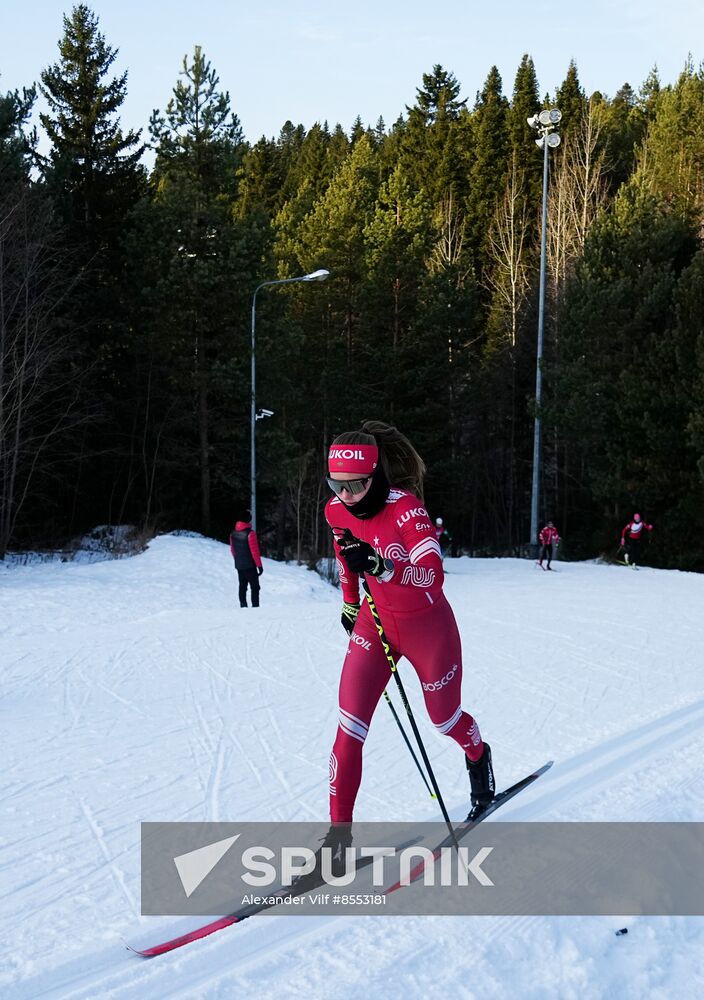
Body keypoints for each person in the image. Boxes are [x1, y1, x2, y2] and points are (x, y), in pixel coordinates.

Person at [324, 420, 495, 836]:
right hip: (375, 622)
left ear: (376, 475)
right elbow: (345, 553)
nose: (346, 497)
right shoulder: (336, 510)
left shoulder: (406, 508)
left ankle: (478, 757)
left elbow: (433, 576)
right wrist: (350, 602)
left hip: (427, 628)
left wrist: (382, 566)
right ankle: (338, 839)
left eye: (356, 486)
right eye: (337, 486)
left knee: (444, 721)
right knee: (349, 729)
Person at [229, 509, 263, 607]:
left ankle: (243, 606)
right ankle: (255, 606)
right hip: (250, 565)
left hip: (239, 565)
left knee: (242, 586)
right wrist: (259, 566)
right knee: (255, 587)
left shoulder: (232, 533)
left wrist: (238, 560)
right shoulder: (250, 534)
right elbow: (255, 552)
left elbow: (232, 550)